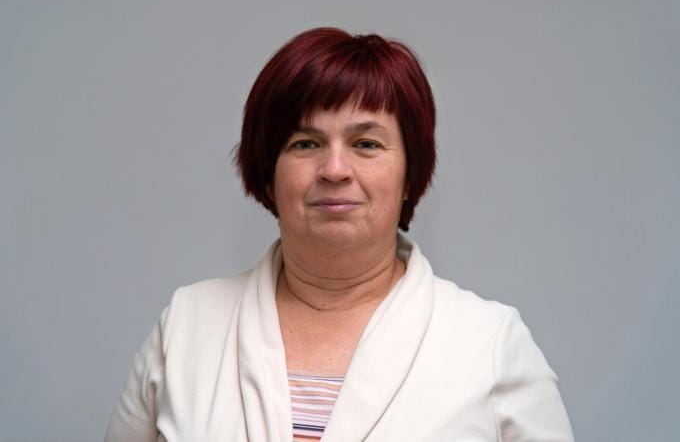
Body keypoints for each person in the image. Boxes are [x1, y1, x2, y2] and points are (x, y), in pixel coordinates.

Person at [105, 27, 574, 441]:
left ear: (410, 176)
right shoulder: (186, 326)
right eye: (305, 143)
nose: (334, 169)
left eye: (366, 144)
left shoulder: (490, 345)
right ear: (268, 175)